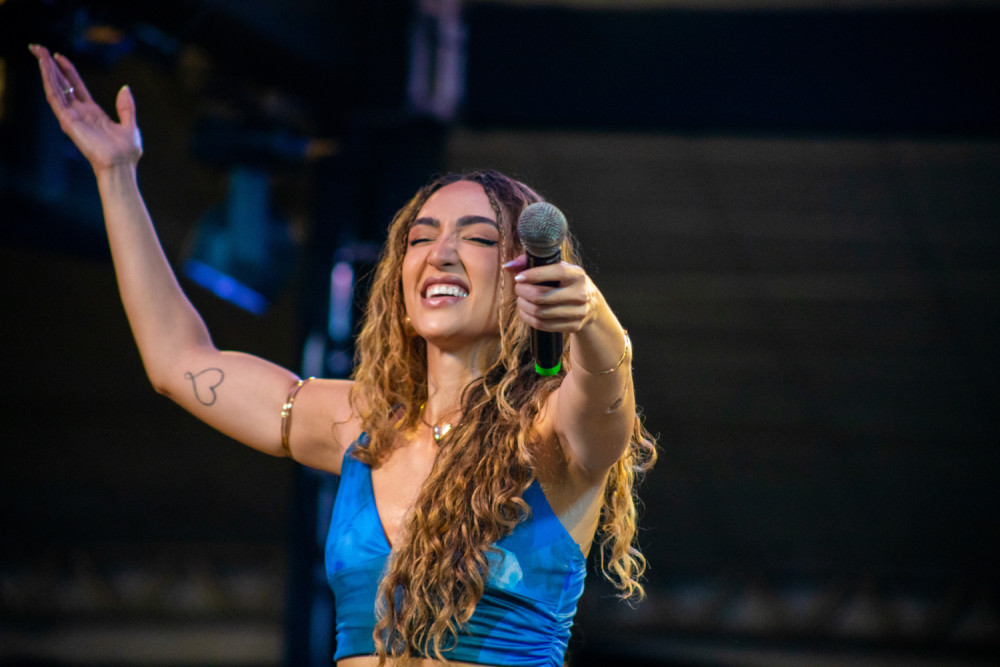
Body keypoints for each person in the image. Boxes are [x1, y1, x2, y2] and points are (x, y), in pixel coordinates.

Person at [31, 44, 656, 667]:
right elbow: (178, 361)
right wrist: (116, 174)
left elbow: (607, 386)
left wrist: (591, 315)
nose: (440, 253)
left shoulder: (552, 432)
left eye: (478, 238)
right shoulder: (363, 424)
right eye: (420, 238)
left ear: (527, 275)